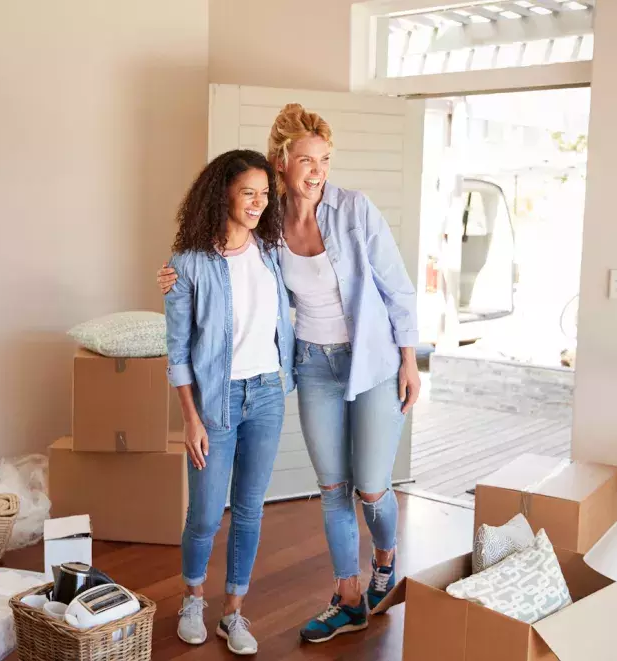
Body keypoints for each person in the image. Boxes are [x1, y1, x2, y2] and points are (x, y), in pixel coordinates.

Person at [158, 104, 420, 644]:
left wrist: (410, 358)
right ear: (282, 162)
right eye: (307, 159)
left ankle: (386, 562)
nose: (318, 170)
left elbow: (397, 287)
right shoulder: (269, 222)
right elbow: (222, 260)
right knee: (330, 488)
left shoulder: (354, 210)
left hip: (369, 361)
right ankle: (348, 597)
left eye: (325, 159)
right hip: (311, 365)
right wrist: (177, 273)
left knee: (371, 487)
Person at [164, 149, 296, 656]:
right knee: (204, 513)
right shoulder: (188, 264)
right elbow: (177, 351)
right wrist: (190, 418)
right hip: (214, 403)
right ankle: (193, 597)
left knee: (248, 511)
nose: (260, 203)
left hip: (266, 394)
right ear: (223, 193)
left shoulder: (271, 250)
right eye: (249, 193)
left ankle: (234, 612)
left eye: (265, 194)